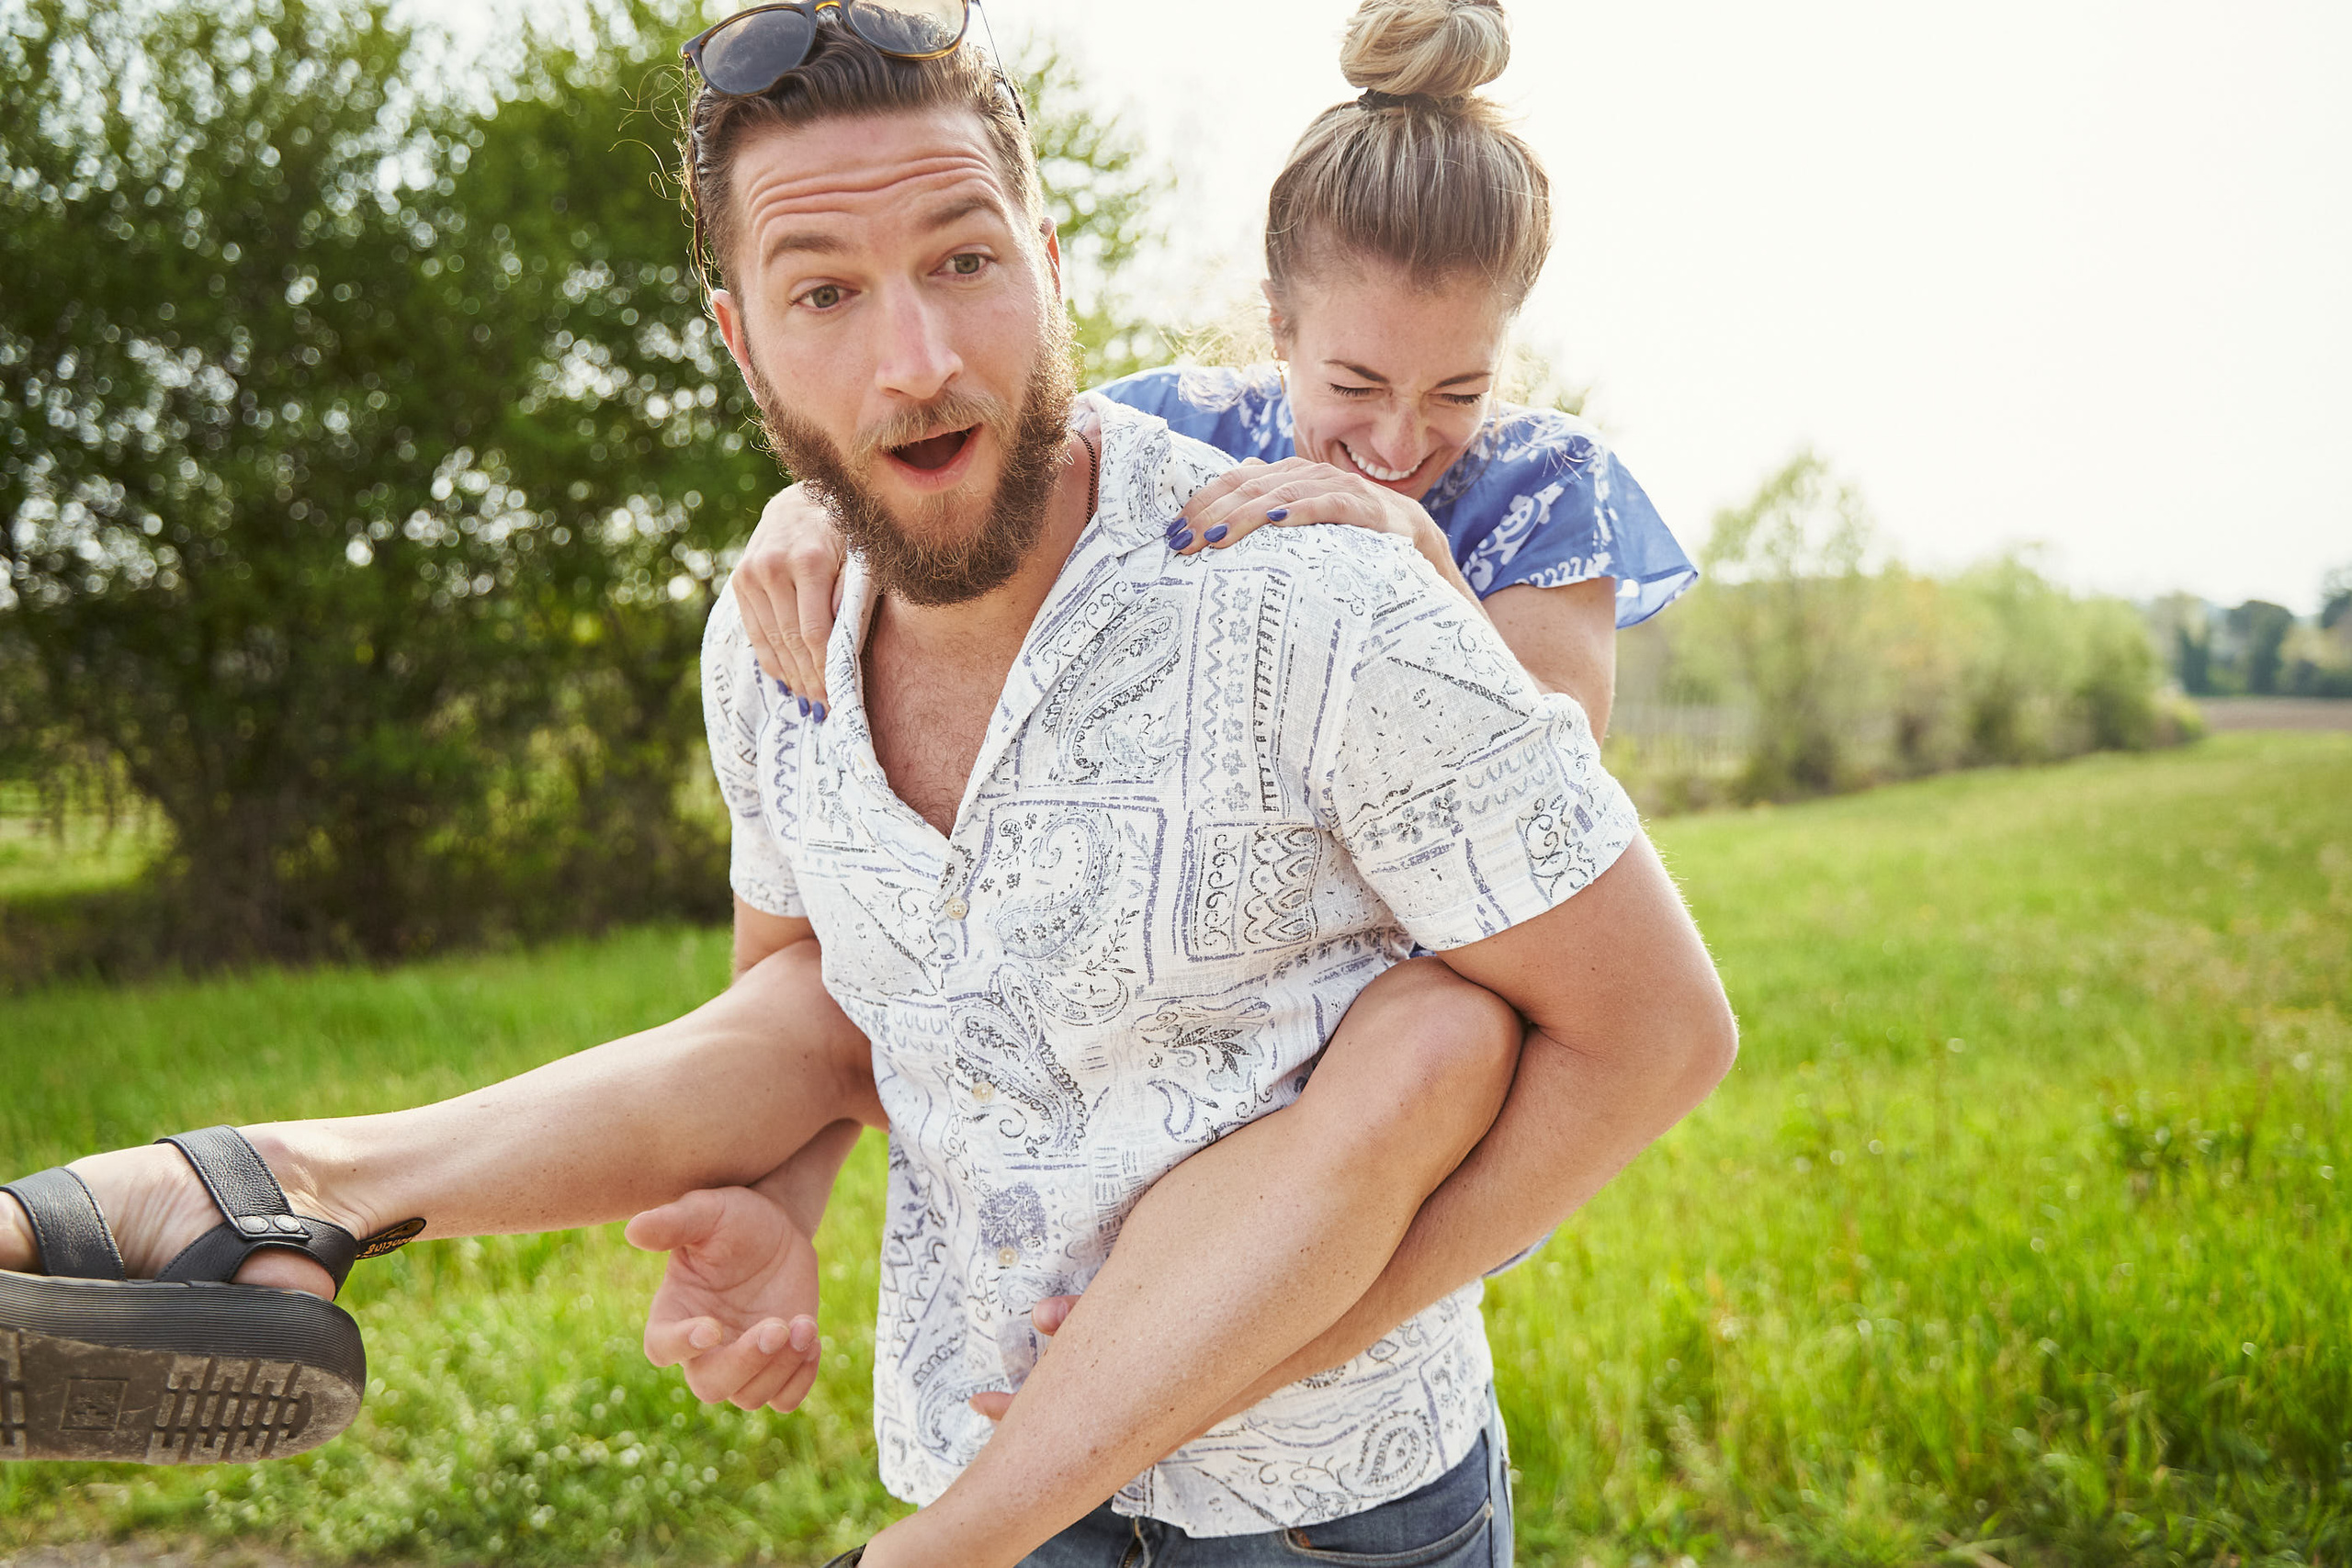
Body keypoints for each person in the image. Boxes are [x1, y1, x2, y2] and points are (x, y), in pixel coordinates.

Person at [1, 5, 1737, 1565]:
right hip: (970, 1470)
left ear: (1052, 263)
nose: (914, 360)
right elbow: (809, 1012)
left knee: (1432, 1039)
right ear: (742, 340)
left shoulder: (1335, 592)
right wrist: (781, 1191)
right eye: (824, 290)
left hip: (1328, 1517)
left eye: (964, 263)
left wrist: (1309, 1332)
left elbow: (1655, 1032)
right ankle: (269, 1186)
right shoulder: (771, 641)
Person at [649, 0, 1696, 1438]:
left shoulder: (1541, 488)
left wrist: (1416, 551)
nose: (1398, 440)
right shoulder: (1187, 424)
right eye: (1351, 386)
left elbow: (1541, 779)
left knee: (1427, 1036)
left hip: (1417, 1071)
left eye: (1458, 389)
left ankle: (1222, 1344)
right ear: (1278, 331)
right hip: (1170, 1065)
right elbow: (970, 450)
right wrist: (804, 499)